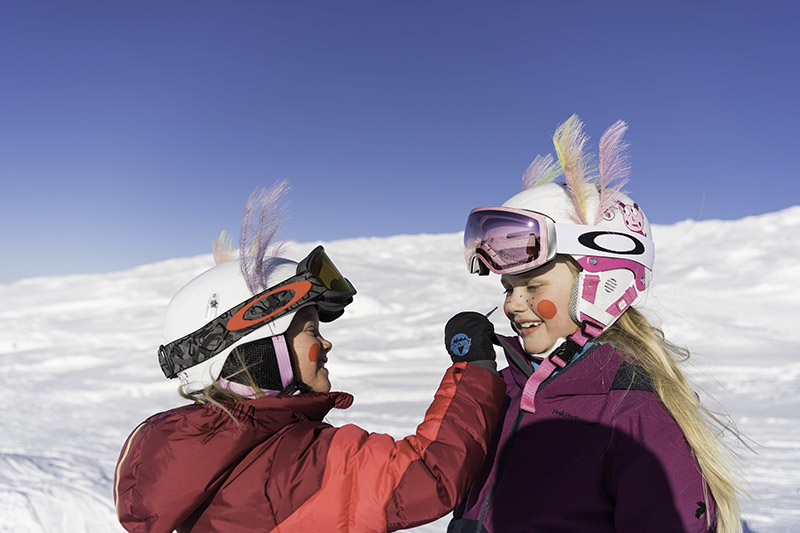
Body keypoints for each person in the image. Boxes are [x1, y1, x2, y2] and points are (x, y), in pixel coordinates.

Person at [113, 182, 506, 532]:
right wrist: (471, 368)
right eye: (311, 331)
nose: (326, 344)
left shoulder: (193, 449)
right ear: (261, 348)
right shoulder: (295, 465)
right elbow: (427, 473)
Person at [449, 115, 742, 533]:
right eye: (507, 289)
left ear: (600, 283)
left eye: (532, 286)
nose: (513, 304)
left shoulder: (634, 415)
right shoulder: (507, 385)